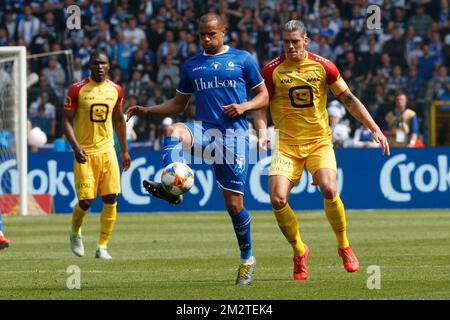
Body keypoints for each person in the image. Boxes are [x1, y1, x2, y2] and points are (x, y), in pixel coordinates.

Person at [126, 13, 269, 285]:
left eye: (212, 34)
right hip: (204, 131)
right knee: (172, 130)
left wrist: (244, 107)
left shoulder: (243, 59)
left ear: (223, 32)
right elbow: (178, 105)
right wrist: (147, 110)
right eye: (202, 34)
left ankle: (247, 259)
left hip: (233, 138)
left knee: (234, 206)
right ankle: (171, 187)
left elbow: (264, 96)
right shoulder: (193, 65)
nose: (207, 39)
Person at [254, 20, 390, 281]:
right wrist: (261, 131)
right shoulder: (271, 70)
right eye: (286, 42)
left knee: (329, 188)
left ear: (306, 41)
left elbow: (349, 99)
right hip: (286, 145)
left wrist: (374, 128)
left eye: (295, 41)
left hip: (318, 141)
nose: (291, 46)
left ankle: (344, 246)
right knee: (277, 199)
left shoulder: (323, 66)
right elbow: (260, 104)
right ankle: (299, 250)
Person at [63, 51, 131, 260]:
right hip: (84, 152)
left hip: (108, 150)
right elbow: (66, 121)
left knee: (111, 198)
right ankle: (75, 232)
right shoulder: (77, 89)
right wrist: (75, 147)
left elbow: (119, 121)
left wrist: (124, 150)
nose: (100, 66)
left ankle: (102, 246)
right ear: (89, 66)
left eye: (103, 63)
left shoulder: (115, 90)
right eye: (96, 63)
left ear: (109, 66)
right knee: (86, 200)